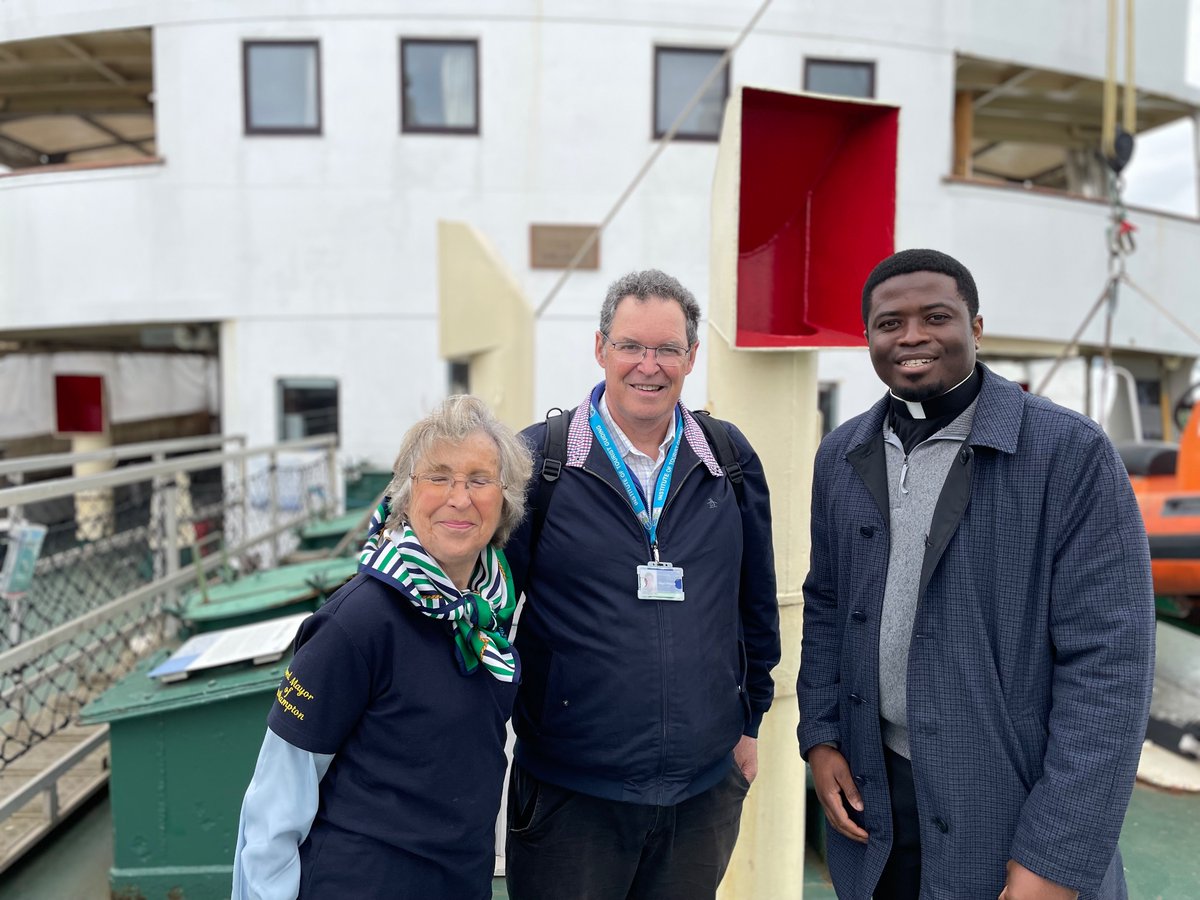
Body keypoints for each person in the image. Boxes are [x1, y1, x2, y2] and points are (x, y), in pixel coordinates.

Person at [797, 248, 1156, 899]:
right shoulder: (840, 455)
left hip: (1012, 804)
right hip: (880, 801)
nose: (912, 336)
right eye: (889, 323)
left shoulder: (1068, 456)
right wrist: (821, 737)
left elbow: (1112, 666)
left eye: (936, 316)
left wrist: (1056, 855)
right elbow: (826, 604)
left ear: (977, 327)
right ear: (868, 337)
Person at [503, 269, 781, 900]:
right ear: (600, 349)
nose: (648, 366)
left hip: (701, 794)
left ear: (691, 358)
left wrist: (749, 722)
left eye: (667, 350)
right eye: (630, 346)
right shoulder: (539, 463)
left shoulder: (727, 458)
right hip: (572, 795)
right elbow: (486, 615)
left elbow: (754, 605)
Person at [232, 395, 532, 900]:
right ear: (406, 493)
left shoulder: (487, 614)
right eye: (438, 476)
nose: (459, 498)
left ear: (504, 501)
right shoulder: (358, 621)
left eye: (479, 480)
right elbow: (277, 798)